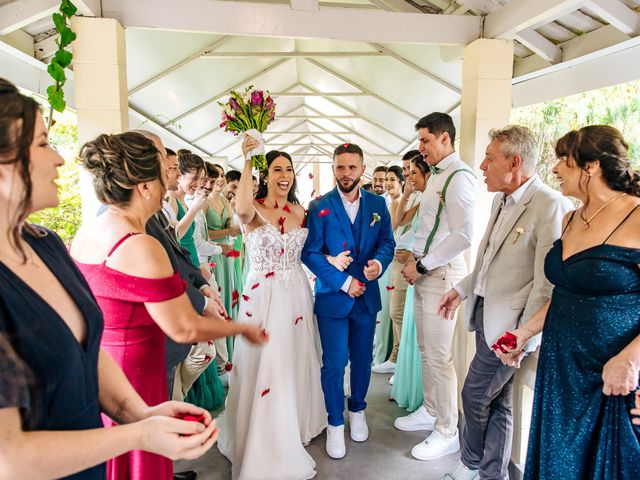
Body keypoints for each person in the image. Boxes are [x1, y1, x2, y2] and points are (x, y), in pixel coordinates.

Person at [0, 77, 218, 479]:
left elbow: (89, 349)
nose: (61, 160)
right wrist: (138, 435)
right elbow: (10, 459)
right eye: (44, 144)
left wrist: (140, 412)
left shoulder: (45, 244)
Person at [71, 131, 267, 480]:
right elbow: (184, 327)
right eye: (164, 175)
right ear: (144, 186)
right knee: (141, 463)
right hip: (136, 375)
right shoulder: (140, 244)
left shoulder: (90, 230)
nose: (170, 183)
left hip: (102, 373)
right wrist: (241, 328)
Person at [496, 125, 640, 480]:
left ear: (591, 167)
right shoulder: (570, 218)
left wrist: (631, 359)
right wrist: (525, 332)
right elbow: (566, 293)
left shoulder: (637, 215)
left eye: (564, 161)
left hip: (613, 374)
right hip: (561, 366)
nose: (556, 169)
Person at [438, 126, 572, 480]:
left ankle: (470, 463)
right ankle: (492, 473)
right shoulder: (500, 199)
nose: (482, 165)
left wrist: (523, 337)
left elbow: (547, 285)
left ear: (514, 162)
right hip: (483, 314)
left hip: (510, 330)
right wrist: (462, 289)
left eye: (490, 158)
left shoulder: (550, 206)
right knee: (498, 402)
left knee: (473, 395)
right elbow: (489, 259)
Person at [218, 144, 326, 480]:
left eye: (289, 170)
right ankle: (265, 432)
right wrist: (248, 158)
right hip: (262, 296)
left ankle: (298, 421)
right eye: (277, 169)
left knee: (295, 356)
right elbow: (242, 208)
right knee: (268, 361)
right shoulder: (253, 209)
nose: (284, 175)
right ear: (266, 175)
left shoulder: (300, 210)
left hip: (296, 293)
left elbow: (313, 250)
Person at [302, 143, 396, 459]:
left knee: (362, 359)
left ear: (362, 168)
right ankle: (334, 423)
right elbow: (310, 253)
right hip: (333, 297)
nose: (346, 173)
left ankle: (357, 409)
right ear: (333, 169)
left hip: (367, 297)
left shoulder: (378, 204)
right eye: (340, 167)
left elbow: (387, 243)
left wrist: (379, 265)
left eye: (352, 167)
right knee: (334, 362)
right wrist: (343, 282)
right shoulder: (319, 207)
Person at [398, 112, 476, 461]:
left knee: (440, 356)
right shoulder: (436, 177)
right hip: (426, 272)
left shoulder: (459, 177)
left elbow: (463, 235)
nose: (421, 148)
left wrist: (423, 264)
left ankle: (447, 430)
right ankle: (431, 410)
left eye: (426, 140)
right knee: (427, 350)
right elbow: (429, 226)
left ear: (445, 138)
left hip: (442, 274)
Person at [391, 155, 430, 411]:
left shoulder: (434, 199)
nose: (410, 177)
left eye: (414, 173)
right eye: (408, 172)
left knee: (420, 337)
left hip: (423, 269)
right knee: (406, 326)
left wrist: (415, 257)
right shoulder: (420, 199)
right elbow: (398, 221)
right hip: (412, 267)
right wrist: (406, 194)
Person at [372, 163, 408, 374]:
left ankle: (393, 358)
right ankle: (388, 356)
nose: (386, 184)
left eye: (391, 180)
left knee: (393, 313)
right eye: (386, 180)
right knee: (389, 313)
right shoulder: (390, 201)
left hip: (399, 262)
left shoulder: (398, 202)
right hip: (388, 261)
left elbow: (393, 229)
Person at [165, 150, 207, 267]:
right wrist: (194, 210)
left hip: (193, 262)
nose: (198, 184)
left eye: (201, 179)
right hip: (183, 264)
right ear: (180, 175)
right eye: (194, 178)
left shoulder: (183, 201)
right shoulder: (171, 198)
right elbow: (174, 236)